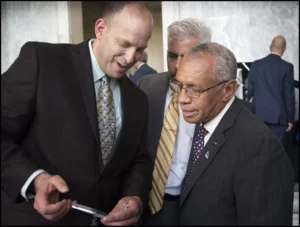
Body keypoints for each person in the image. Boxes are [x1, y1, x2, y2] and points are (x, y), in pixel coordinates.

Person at [1, 1, 154, 226]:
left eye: (140, 49)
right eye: (124, 44)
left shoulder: (138, 98)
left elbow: (138, 160)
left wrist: (135, 198)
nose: (131, 58)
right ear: (101, 29)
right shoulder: (42, 60)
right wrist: (34, 179)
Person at [169, 42, 295, 225]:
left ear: (228, 90)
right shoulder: (201, 120)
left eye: (194, 89)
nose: (182, 98)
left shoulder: (261, 147)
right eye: (179, 85)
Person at [138, 18, 212, 225]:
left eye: (187, 56)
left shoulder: (215, 96)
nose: (178, 65)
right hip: (149, 204)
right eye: (172, 56)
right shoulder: (147, 85)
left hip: (196, 204)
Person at [247, 35, 295, 143]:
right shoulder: (287, 67)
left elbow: (249, 91)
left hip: (258, 115)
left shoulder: (256, 65)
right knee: (276, 152)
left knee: (258, 148)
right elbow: (289, 95)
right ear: (284, 49)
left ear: (270, 47)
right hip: (278, 118)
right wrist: (290, 119)